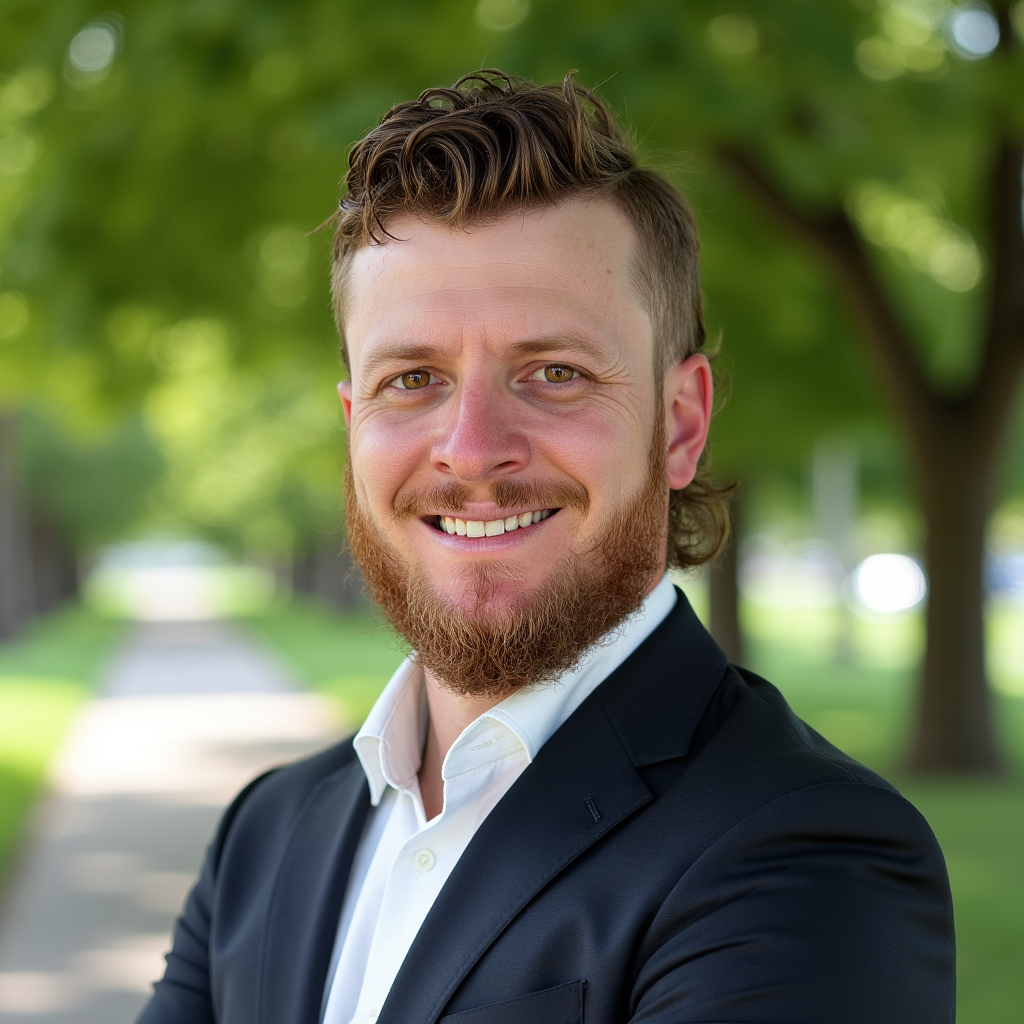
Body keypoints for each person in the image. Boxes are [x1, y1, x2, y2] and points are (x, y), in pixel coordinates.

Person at [137, 71, 954, 1024]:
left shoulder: (809, 854)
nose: (473, 448)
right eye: (412, 380)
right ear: (354, 424)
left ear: (680, 423)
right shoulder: (266, 834)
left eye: (555, 372)